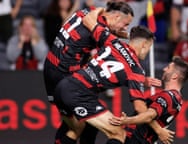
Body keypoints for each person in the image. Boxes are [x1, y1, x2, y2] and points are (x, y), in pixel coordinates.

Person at [52, 8, 174, 144]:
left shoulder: (112, 41)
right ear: (144, 45)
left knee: (80, 129)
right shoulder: (136, 69)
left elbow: (88, 21)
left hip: (64, 85)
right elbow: (140, 108)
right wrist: (159, 130)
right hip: (79, 94)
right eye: (149, 47)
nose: (147, 52)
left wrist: (101, 10)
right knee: (118, 133)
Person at [43, 1, 138, 144]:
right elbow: (108, 50)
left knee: (79, 125)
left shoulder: (89, 11)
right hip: (65, 78)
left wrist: (112, 29)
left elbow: (90, 23)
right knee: (82, 126)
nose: (125, 28)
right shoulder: (97, 29)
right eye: (125, 24)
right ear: (117, 16)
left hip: (51, 68)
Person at [109, 56, 188, 144]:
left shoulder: (168, 96)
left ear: (175, 76)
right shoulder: (177, 99)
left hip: (135, 140)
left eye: (168, 68)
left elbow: (149, 116)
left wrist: (126, 120)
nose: (164, 69)